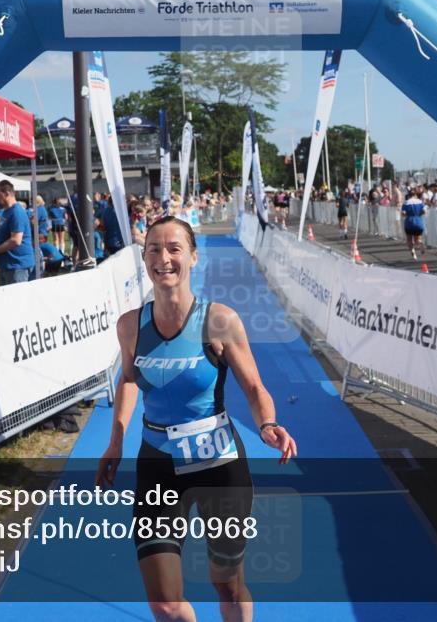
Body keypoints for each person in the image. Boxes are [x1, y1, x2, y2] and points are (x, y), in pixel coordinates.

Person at [96, 217, 297, 622]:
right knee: (165, 603)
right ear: (144, 257)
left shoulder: (219, 320)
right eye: (154, 248)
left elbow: (255, 388)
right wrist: (116, 441)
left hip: (218, 467)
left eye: (174, 249)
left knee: (227, 583)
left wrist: (268, 425)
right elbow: (130, 380)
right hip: (158, 465)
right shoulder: (130, 326)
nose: (163, 258)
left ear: (193, 257)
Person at [0, 180, 34, 285]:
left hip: (17, 266)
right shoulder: (4, 211)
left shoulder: (17, 212)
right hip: (6, 265)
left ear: (7, 193)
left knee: (16, 300)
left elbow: (16, 240)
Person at [401, 189, 428, 259]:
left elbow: (403, 213)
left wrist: (407, 215)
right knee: (418, 238)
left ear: (409, 195)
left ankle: (412, 250)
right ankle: (420, 243)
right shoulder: (420, 202)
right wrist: (419, 214)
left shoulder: (406, 203)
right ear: (415, 195)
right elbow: (425, 211)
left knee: (409, 239)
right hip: (418, 221)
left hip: (409, 222)